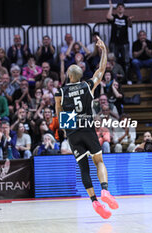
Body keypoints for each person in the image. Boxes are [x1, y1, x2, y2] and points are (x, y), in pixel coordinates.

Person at [54, 36, 118, 219]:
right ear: (80, 76)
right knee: (99, 161)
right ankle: (104, 190)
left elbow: (59, 113)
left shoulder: (61, 92)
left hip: (73, 131)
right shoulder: (88, 85)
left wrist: (66, 132)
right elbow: (101, 69)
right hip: (88, 127)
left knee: (83, 168)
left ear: (68, 76)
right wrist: (103, 51)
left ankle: (94, 201)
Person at [107, 1, 133, 76]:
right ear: (117, 9)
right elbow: (108, 17)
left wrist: (130, 20)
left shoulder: (126, 18)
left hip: (124, 43)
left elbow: (130, 25)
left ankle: (127, 78)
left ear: (124, 9)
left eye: (122, 7)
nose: (120, 8)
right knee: (113, 60)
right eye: (119, 7)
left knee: (126, 61)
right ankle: (115, 77)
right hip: (114, 42)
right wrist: (111, 7)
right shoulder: (114, 17)